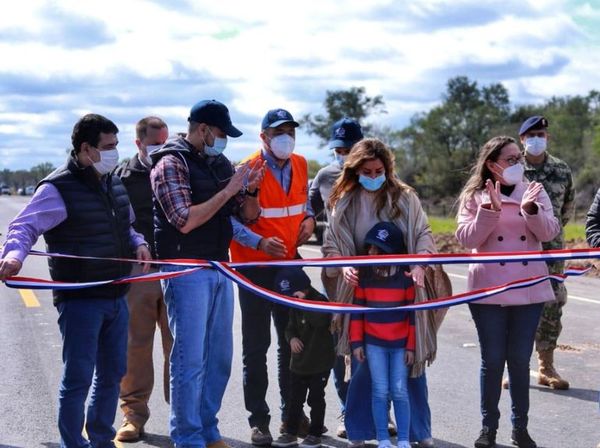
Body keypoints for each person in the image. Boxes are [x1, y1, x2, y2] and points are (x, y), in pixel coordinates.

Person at [0, 113, 152, 448]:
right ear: (87, 148)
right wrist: (13, 256)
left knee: (112, 375)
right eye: (108, 146)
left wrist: (139, 243)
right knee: (79, 379)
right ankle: (73, 443)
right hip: (81, 300)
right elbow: (24, 227)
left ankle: (100, 438)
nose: (115, 152)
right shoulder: (58, 188)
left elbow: (126, 226)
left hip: (116, 294)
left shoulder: (112, 181)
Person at [151, 100, 264, 448]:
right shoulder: (171, 164)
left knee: (218, 358)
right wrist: (229, 190)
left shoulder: (219, 164)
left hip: (218, 266)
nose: (223, 140)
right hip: (185, 270)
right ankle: (187, 436)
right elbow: (184, 220)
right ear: (202, 130)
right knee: (190, 360)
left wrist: (250, 190)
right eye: (220, 133)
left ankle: (207, 427)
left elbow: (246, 216)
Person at [322, 138, 442, 448]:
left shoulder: (405, 198)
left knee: (411, 362)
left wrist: (420, 266)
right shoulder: (344, 201)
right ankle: (360, 430)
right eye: (367, 170)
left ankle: (418, 432)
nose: (374, 175)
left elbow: (423, 235)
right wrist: (343, 265)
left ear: (388, 168)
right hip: (363, 290)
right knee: (362, 364)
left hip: (404, 290)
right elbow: (332, 242)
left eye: (379, 170)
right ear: (355, 170)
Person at [455, 135, 560, 448]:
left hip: (529, 288)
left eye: (519, 159)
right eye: (511, 159)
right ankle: (489, 428)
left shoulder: (534, 191)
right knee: (493, 359)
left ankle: (521, 428)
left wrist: (531, 210)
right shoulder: (474, 195)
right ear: (492, 164)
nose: (518, 164)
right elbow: (466, 239)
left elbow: (551, 232)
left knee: (518, 359)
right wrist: (489, 211)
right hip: (489, 288)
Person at [229, 108, 316, 446]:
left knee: (291, 342)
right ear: (263, 136)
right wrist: (260, 242)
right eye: (279, 132)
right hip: (254, 268)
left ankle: (290, 415)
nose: (286, 138)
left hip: (289, 266)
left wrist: (309, 218)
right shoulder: (246, 170)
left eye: (291, 131)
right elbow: (232, 222)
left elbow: (302, 201)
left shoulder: (301, 163)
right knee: (256, 346)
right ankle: (259, 420)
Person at [114, 116, 173, 441]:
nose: (162, 149)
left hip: (178, 268)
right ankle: (133, 415)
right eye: (155, 144)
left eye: (166, 142)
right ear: (138, 144)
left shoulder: (178, 167)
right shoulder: (120, 176)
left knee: (178, 347)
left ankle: (183, 416)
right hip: (140, 272)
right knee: (135, 345)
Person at [308, 117, 363, 438]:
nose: (343, 156)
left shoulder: (376, 174)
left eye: (348, 149)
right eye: (338, 149)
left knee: (373, 340)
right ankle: (348, 410)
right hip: (336, 271)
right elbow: (306, 211)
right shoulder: (326, 175)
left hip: (375, 269)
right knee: (342, 341)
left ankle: (376, 409)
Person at [519, 115, 575, 390]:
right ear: (522, 139)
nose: (536, 139)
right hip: (518, 249)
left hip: (552, 251)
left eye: (540, 134)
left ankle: (546, 366)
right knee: (517, 303)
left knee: (552, 304)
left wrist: (548, 232)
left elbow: (567, 210)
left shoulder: (562, 170)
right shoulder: (512, 167)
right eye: (531, 135)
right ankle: (516, 365)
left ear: (547, 137)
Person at [350, 221, 416, 448]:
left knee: (399, 391)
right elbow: (357, 312)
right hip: (374, 344)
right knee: (379, 390)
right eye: (370, 248)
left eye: (378, 249)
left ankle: (404, 440)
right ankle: (383, 439)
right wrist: (356, 342)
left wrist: (411, 346)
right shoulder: (364, 277)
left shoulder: (406, 279)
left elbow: (412, 316)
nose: (371, 253)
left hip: (400, 346)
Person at [271, 267, 335, 448]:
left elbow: (320, 322)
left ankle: (315, 433)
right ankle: (290, 432)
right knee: (295, 399)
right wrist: (291, 339)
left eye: (293, 294)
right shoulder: (294, 305)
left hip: (318, 362)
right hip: (299, 362)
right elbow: (289, 327)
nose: (291, 299)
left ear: (303, 288)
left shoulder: (320, 302)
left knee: (315, 398)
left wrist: (304, 304)